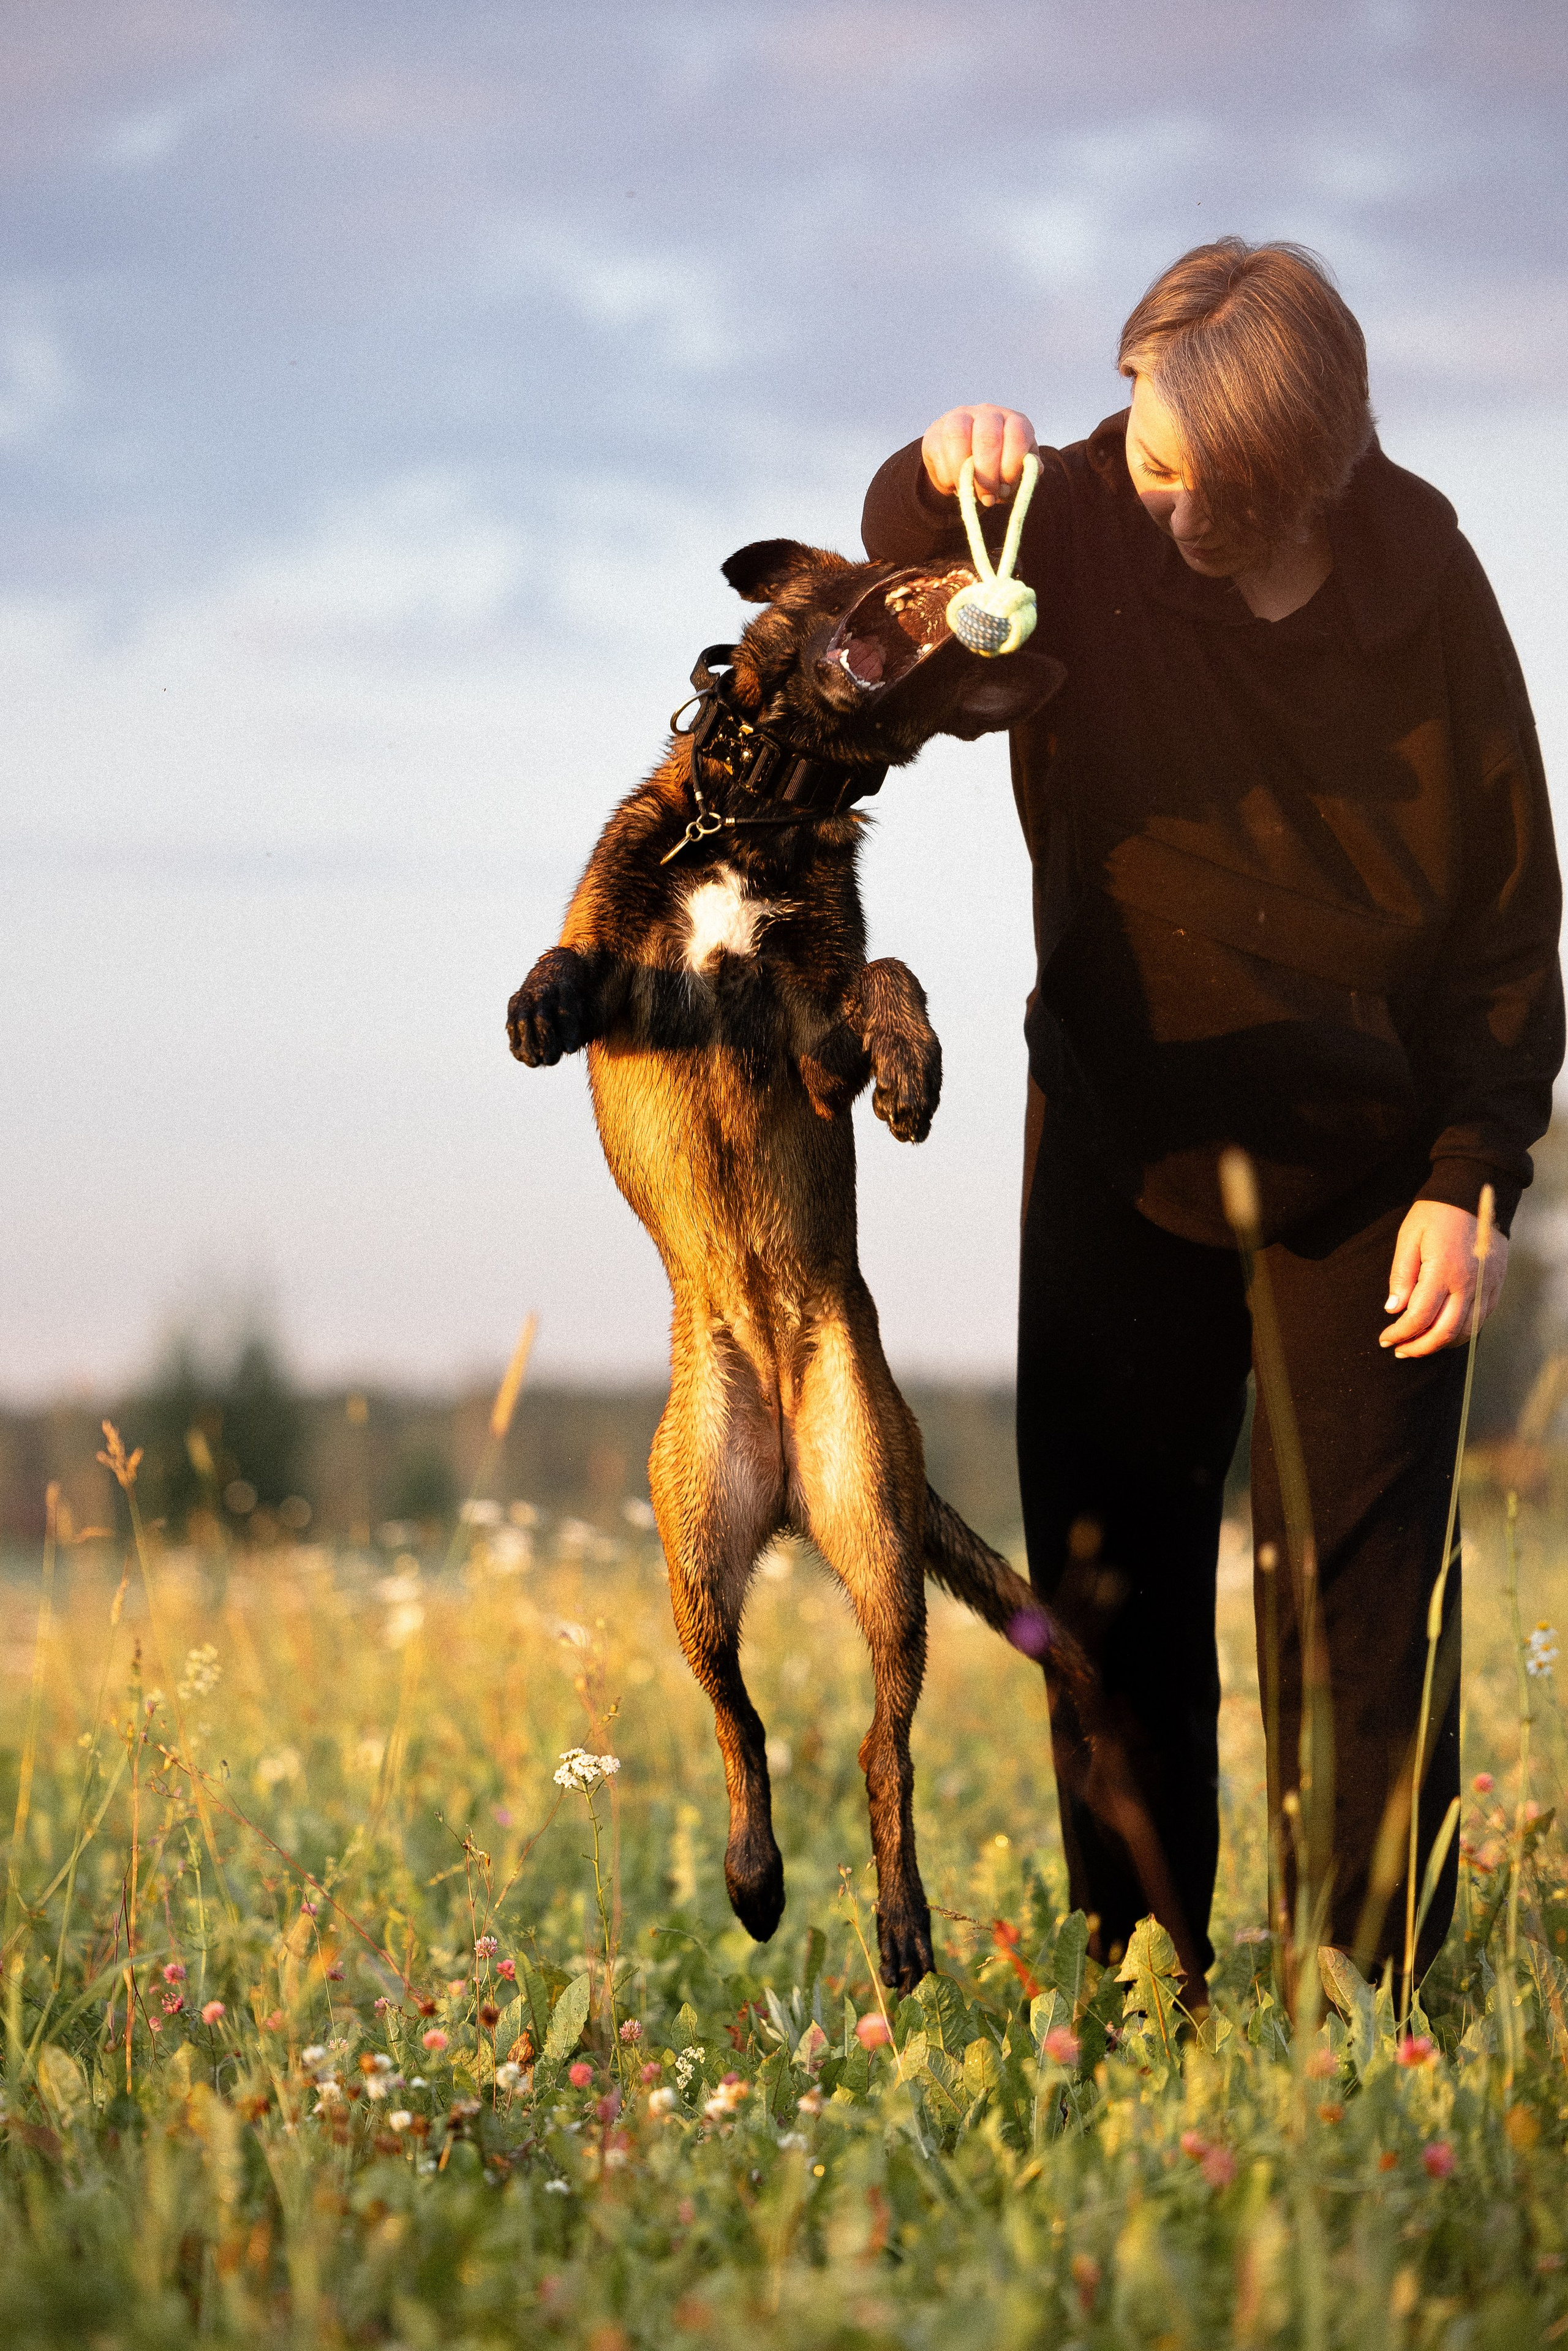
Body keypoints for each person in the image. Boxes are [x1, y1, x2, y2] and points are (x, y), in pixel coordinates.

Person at [861, 238, 1562, 1989]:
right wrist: (935, 481)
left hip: (1376, 1168)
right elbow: (902, 602)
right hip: (1120, 1136)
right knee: (1107, 1591)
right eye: (1136, 440)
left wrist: (1472, 1175)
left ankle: (1364, 2006)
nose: (1140, 484)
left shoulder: (1425, 575)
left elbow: (1507, 911)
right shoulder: (1087, 520)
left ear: (1285, 470)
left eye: (1182, 470)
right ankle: (1141, 1976)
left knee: (1364, 1618)